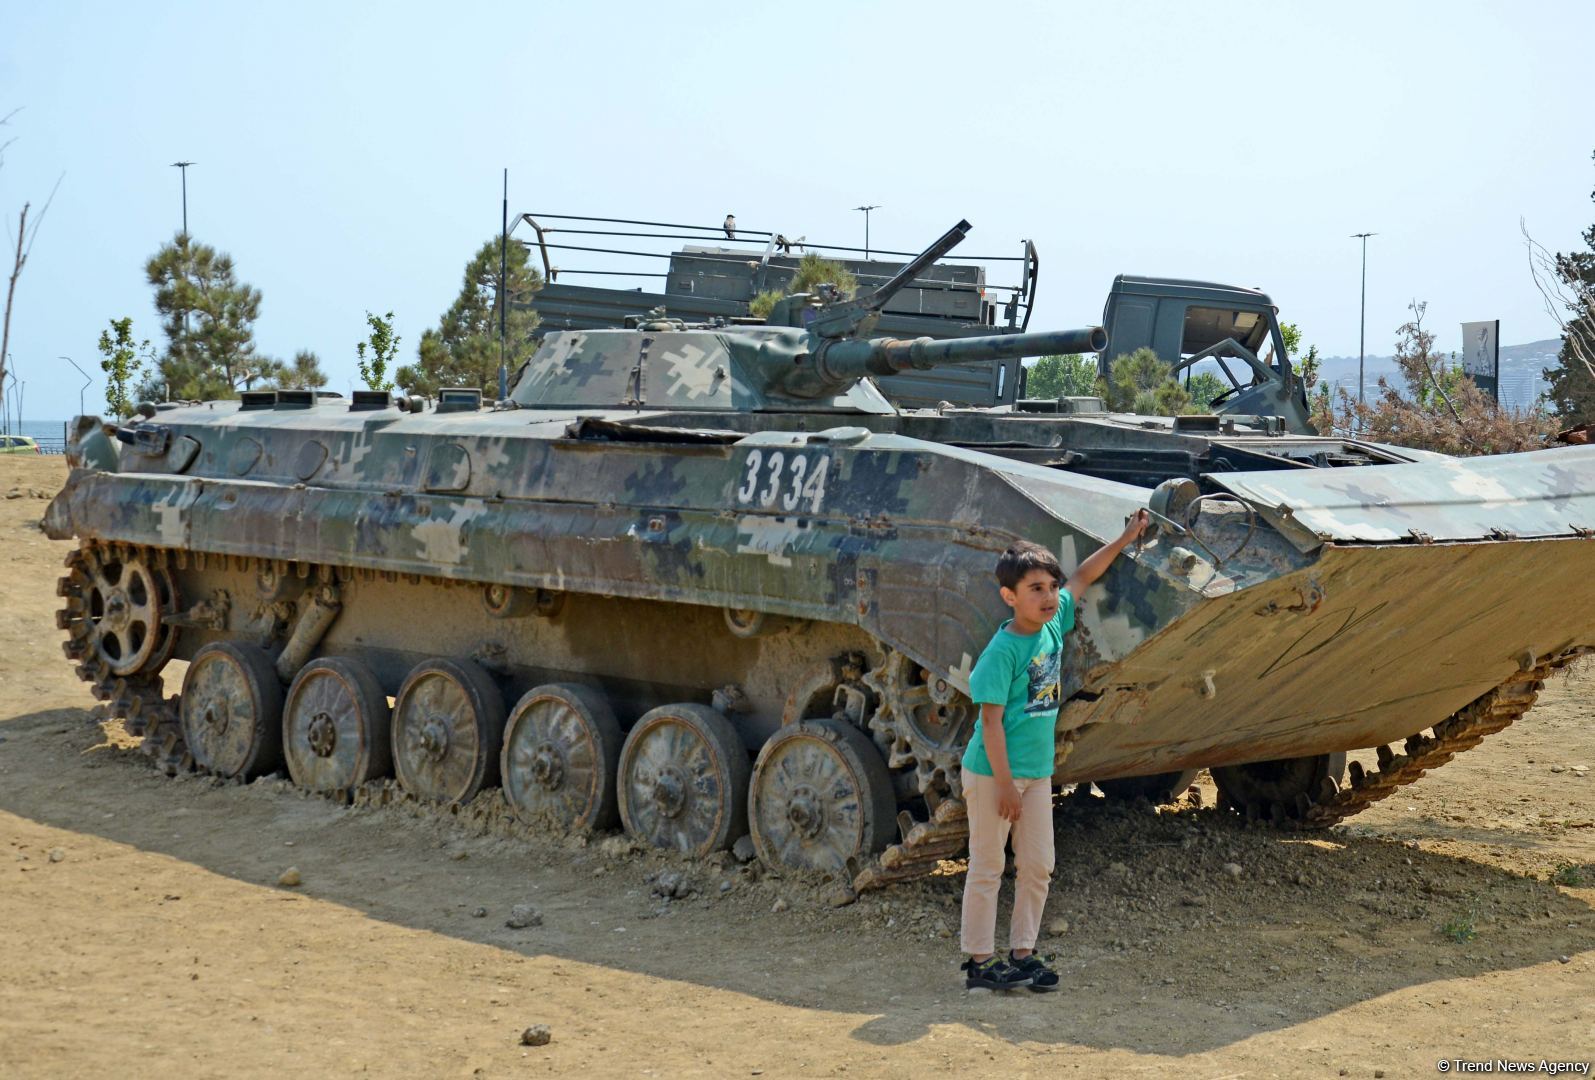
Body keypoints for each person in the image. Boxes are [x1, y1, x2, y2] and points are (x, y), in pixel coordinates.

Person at [958, 511, 1150, 992]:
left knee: (1039, 864)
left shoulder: (1052, 621)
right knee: (987, 867)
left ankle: (1022, 952)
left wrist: (1126, 538)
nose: (1047, 597)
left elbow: (1084, 575)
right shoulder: (1001, 653)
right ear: (1010, 597)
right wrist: (1004, 784)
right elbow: (990, 722)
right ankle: (980, 961)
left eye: (1049, 587)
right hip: (992, 773)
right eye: (1035, 590)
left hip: (1036, 771)